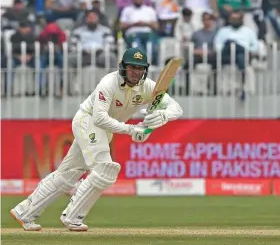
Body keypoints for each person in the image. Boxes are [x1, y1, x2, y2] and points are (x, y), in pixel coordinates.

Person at [10, 48, 183, 231]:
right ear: (123, 67)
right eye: (132, 68)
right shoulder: (109, 82)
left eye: (140, 69)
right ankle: (72, 216)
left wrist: (163, 116)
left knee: (67, 175)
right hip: (88, 121)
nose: (136, 72)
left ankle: (24, 212)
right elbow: (99, 118)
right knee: (105, 168)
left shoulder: (148, 86)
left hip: (105, 130)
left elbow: (176, 108)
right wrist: (131, 129)